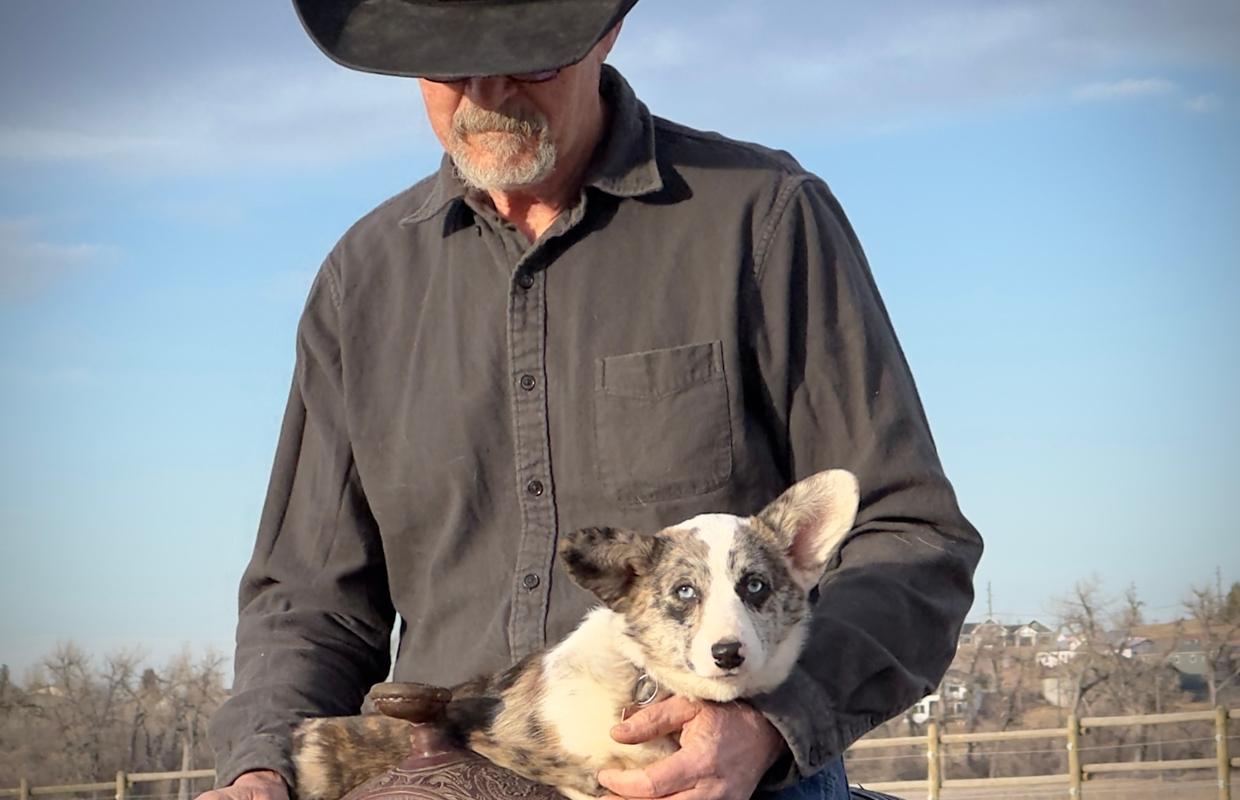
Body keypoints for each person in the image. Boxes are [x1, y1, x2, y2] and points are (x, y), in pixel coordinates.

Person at [203, 2, 983, 799]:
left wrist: (765, 727)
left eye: (527, 62)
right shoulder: (359, 284)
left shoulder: (763, 218)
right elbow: (309, 601)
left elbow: (911, 536)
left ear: (604, 33)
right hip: (434, 775)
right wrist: (260, 769)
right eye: (446, 69)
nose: (487, 95)